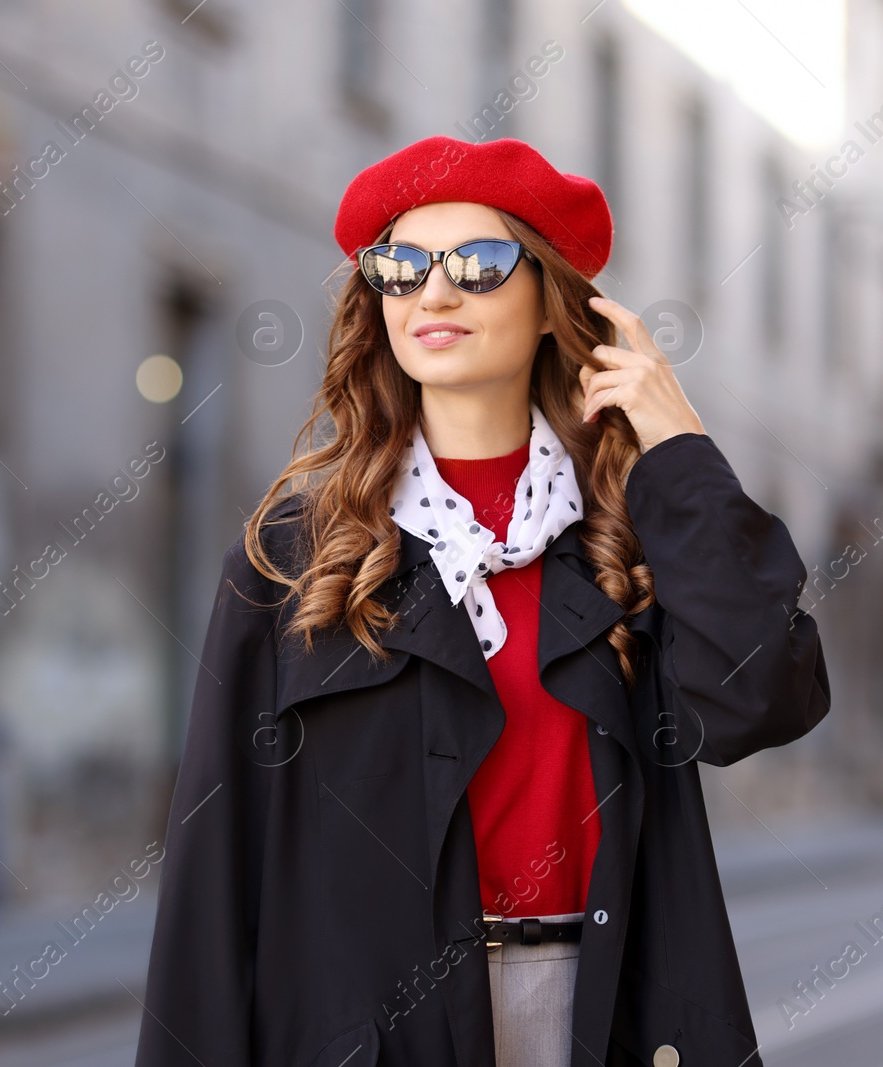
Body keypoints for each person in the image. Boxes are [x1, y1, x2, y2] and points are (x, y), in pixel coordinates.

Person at [135, 135, 831, 1067]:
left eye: (480, 262)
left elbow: (764, 698)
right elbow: (211, 886)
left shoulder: (624, 545)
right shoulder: (294, 561)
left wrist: (680, 453)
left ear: (551, 300)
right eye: (403, 265)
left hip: (600, 1016)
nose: (435, 291)